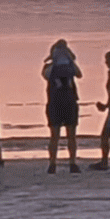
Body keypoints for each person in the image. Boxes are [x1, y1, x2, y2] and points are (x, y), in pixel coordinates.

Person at [40, 40, 81, 170]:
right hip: (67, 102)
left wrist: (51, 59)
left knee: (55, 136)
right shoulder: (69, 67)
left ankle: (54, 164)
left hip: (55, 103)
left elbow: (45, 76)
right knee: (70, 135)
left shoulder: (50, 68)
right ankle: (71, 163)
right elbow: (79, 74)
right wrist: (71, 59)